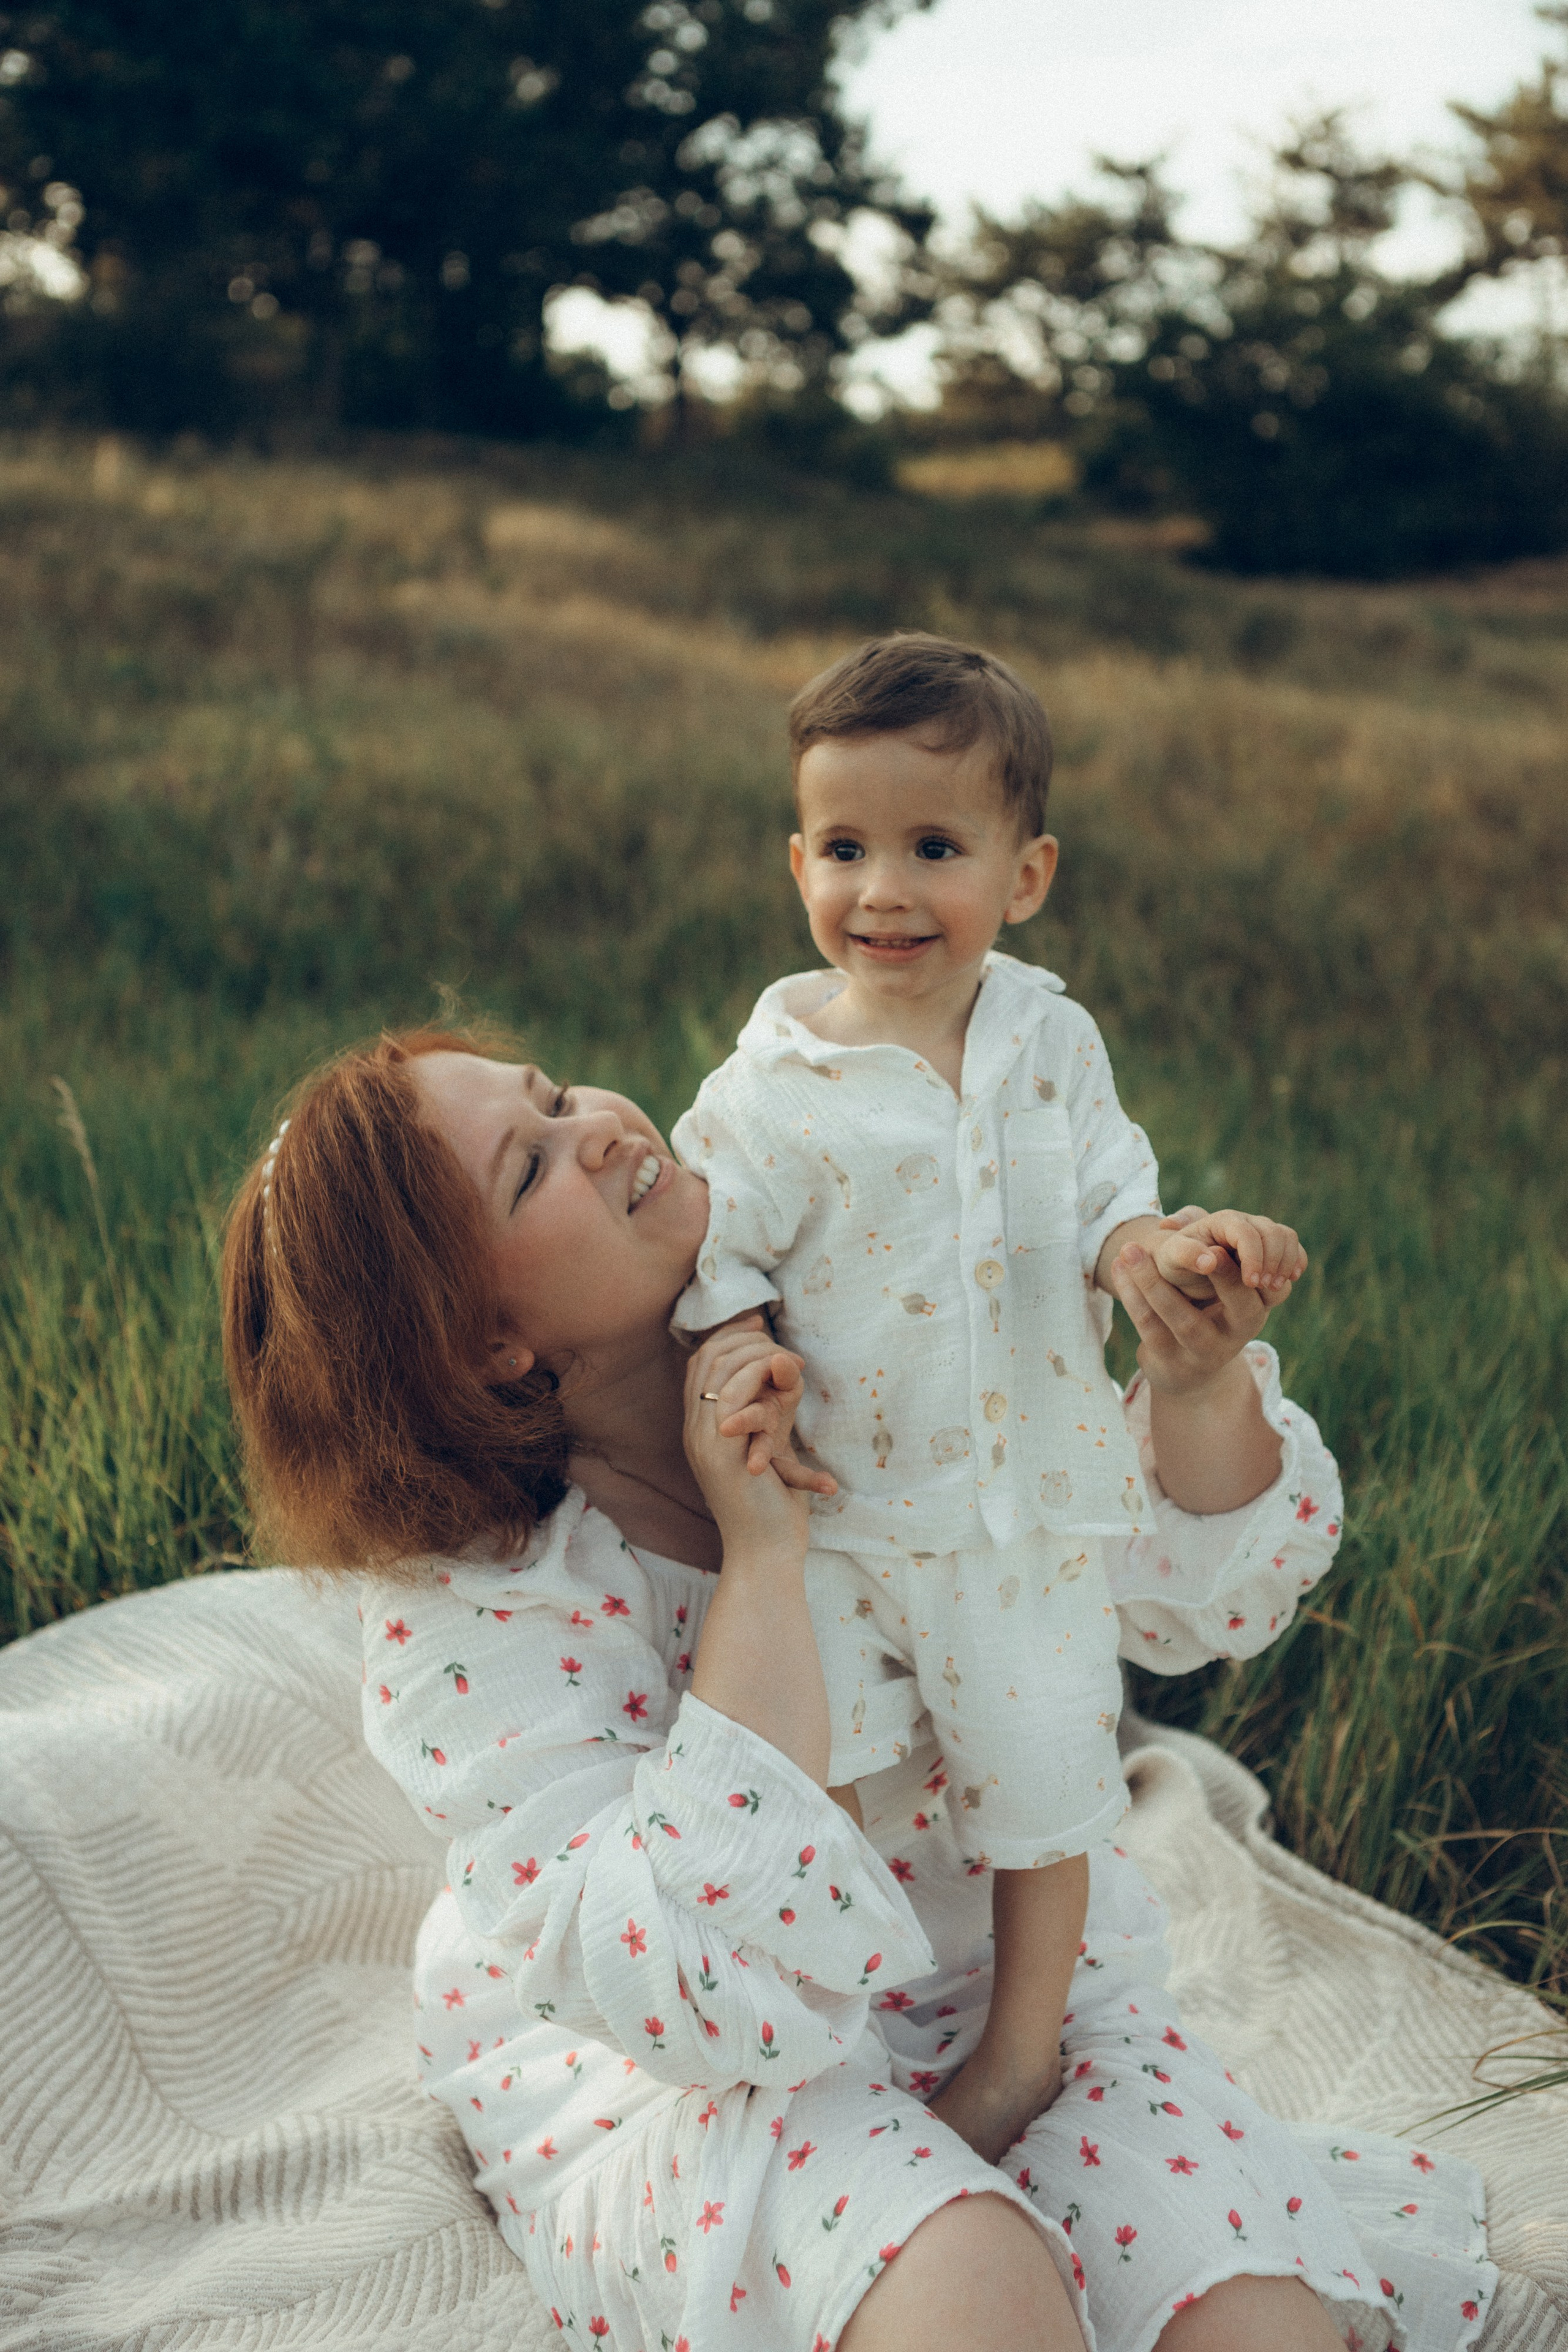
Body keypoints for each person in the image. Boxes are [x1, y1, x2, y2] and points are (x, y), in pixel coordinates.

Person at [222, 1029, 1494, 2352]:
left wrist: (1195, 1383)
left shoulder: (856, 1334)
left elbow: (1186, 1591)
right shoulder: (486, 1613)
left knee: (1255, 2329)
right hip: (703, 2075)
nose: (596, 1123)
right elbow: (695, 1991)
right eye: (529, 1167)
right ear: (487, 1344)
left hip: (1010, 1988)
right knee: (973, 2291)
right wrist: (764, 1558)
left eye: (553, 1092)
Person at [669, 633, 1308, 2162]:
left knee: (1040, 1787)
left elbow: (1107, 1205)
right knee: (817, 1771)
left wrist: (1163, 1255)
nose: (882, 890)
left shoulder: (1048, 1044)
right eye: (843, 848)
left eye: (934, 849)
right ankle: (833, 2026)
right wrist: (740, 1344)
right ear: (796, 863)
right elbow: (714, 1251)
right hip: (837, 1516)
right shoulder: (768, 1087)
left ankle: (1020, 2051)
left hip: (1021, 1521)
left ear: (1024, 877)